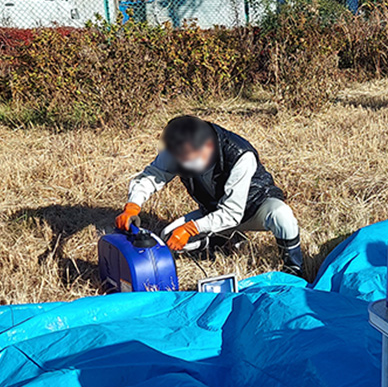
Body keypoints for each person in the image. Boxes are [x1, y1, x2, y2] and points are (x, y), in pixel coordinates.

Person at [115, 115, 304, 276]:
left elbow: (232, 214)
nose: (184, 165)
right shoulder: (179, 149)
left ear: (207, 145)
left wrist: (191, 229)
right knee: (168, 237)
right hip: (214, 211)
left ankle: (294, 268)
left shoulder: (240, 155)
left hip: (255, 207)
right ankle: (224, 241)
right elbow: (152, 176)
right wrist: (133, 205)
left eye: (189, 158)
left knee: (282, 215)